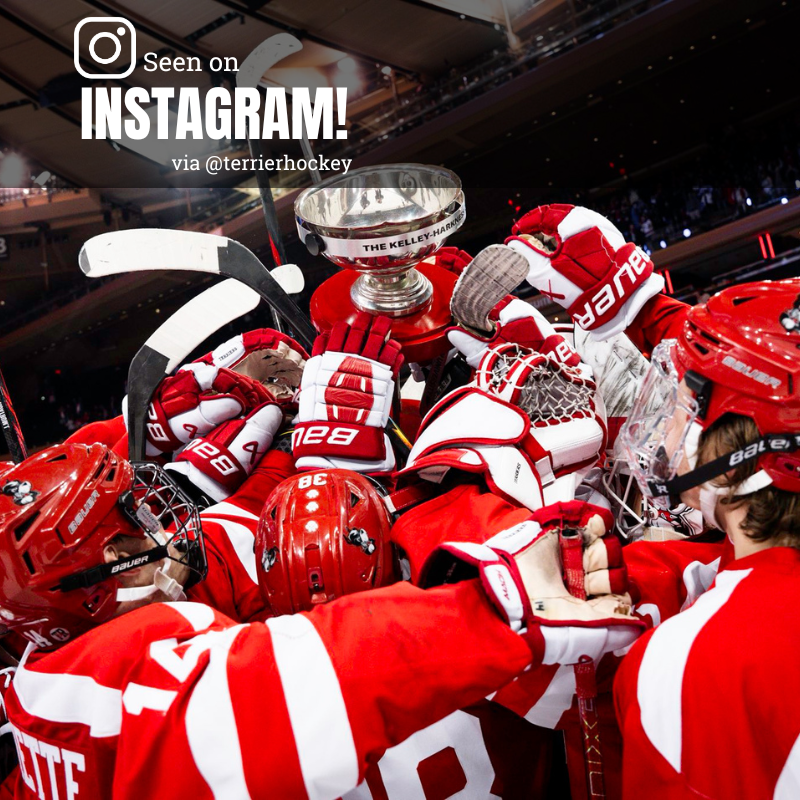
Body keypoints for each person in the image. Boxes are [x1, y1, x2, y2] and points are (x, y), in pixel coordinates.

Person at [0, 440, 641, 800]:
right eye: (130, 519)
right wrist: (493, 605)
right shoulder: (141, 662)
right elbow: (318, 677)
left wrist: (281, 449)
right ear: (94, 582)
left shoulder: (37, 696)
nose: (158, 518)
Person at [506, 202, 800, 797]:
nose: (668, 422)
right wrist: (638, 309)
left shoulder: (682, 662)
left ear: (744, 448)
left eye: (688, 404)